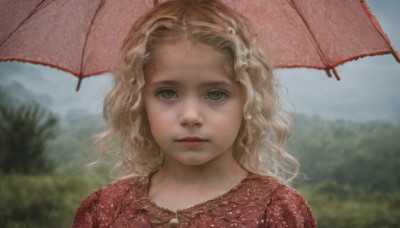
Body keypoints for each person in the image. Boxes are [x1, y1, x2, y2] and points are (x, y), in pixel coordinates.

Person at [73, 0, 316, 227]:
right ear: (139, 101)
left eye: (216, 94)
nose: (190, 116)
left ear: (248, 100)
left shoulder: (277, 210)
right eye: (168, 93)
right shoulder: (105, 210)